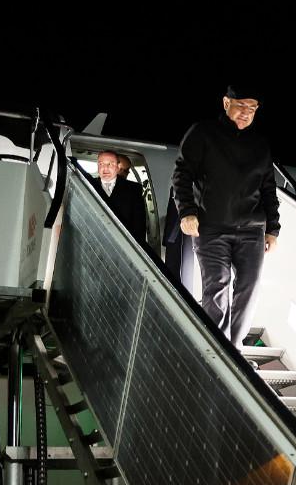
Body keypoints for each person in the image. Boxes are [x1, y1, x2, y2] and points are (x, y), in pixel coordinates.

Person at [171, 85, 280, 347]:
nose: (246, 112)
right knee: (217, 288)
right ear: (226, 103)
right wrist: (187, 212)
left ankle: (233, 348)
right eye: (241, 105)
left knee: (249, 289)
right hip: (212, 227)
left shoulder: (260, 145)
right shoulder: (203, 133)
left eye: (252, 108)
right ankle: (218, 351)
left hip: (251, 230)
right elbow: (182, 174)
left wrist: (273, 229)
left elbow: (268, 188)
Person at [92, 150, 147, 244]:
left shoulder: (134, 189)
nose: (105, 168)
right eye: (101, 164)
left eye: (110, 164)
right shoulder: (88, 184)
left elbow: (139, 226)